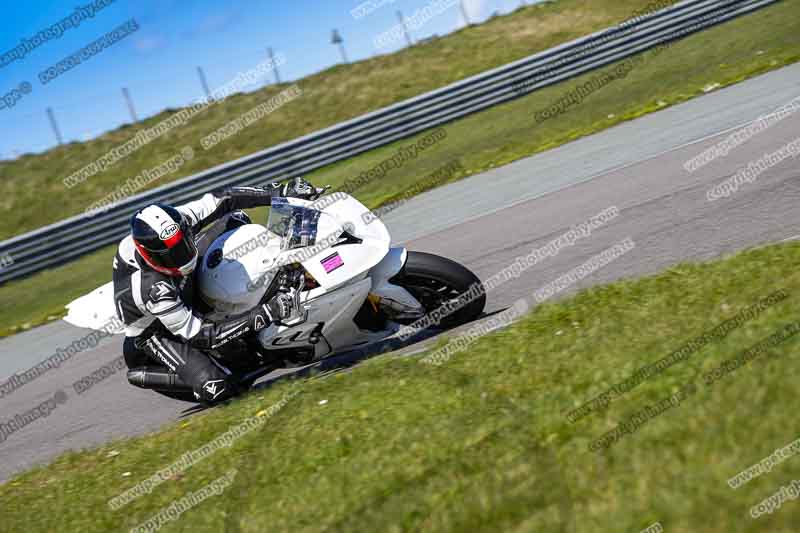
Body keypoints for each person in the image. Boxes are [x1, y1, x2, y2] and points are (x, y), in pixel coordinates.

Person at [114, 177, 323, 404]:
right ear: (147, 255)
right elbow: (203, 336)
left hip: (182, 282)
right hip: (155, 330)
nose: (181, 257)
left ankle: (289, 261)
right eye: (170, 255)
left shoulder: (180, 220)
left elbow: (226, 199)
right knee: (217, 388)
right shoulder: (152, 289)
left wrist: (280, 191)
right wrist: (266, 312)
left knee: (235, 219)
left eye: (183, 245)